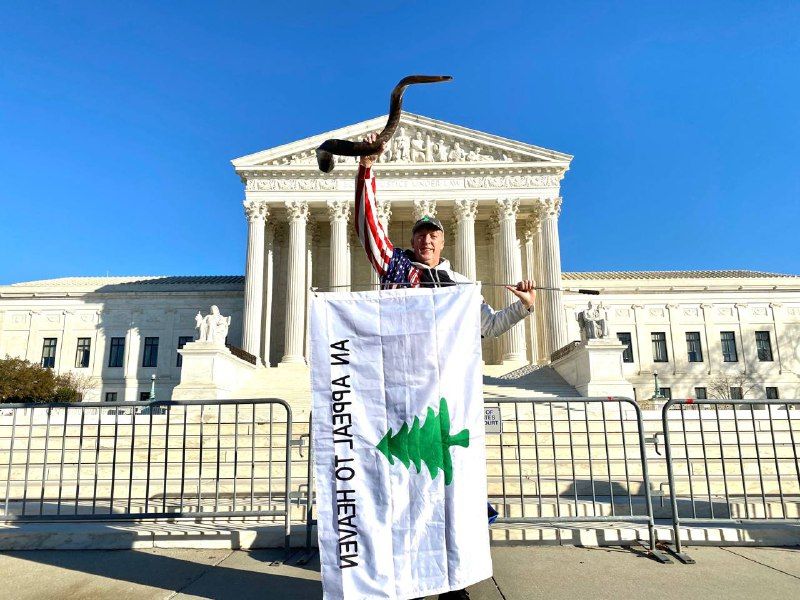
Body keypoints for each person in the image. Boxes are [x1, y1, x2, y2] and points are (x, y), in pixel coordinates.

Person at [354, 132, 536, 600]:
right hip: (402, 392)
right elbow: (370, 229)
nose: (428, 238)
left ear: (443, 240)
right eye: (421, 233)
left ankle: (450, 581)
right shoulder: (397, 269)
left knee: (447, 488)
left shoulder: (459, 283)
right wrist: (366, 169)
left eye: (434, 233)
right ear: (412, 240)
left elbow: (489, 327)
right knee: (405, 486)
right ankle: (406, 580)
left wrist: (523, 307)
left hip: (448, 399)